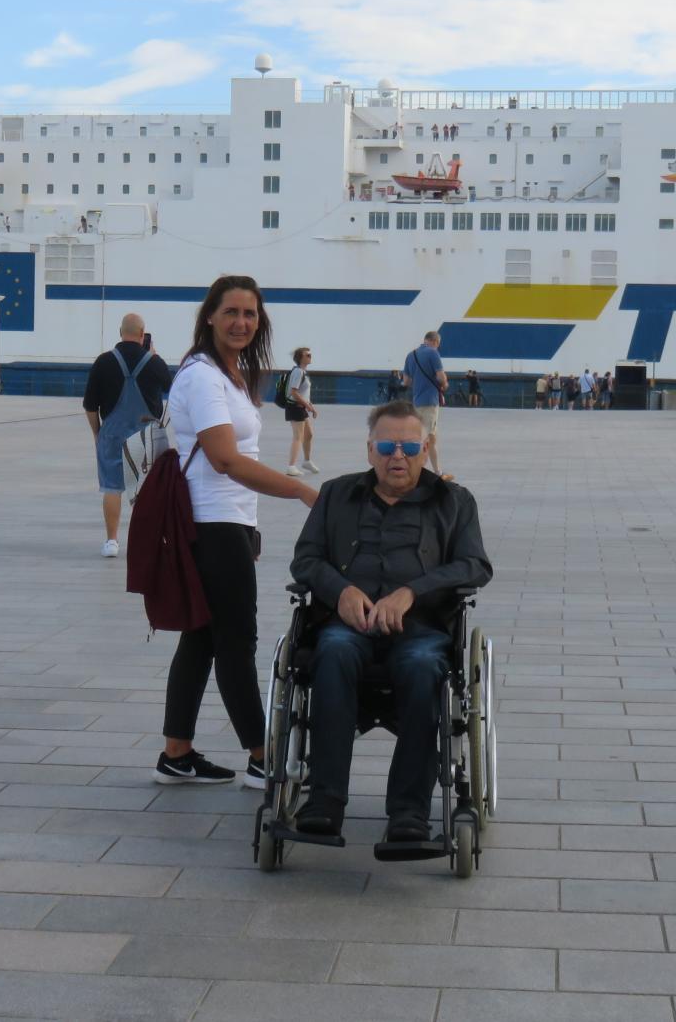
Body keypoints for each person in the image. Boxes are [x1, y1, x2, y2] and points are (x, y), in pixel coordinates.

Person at [288, 401, 493, 843]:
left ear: (426, 448)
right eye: (386, 446)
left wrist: (412, 591)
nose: (397, 456)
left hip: (421, 630)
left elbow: (475, 565)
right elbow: (305, 560)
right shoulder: (336, 495)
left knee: (422, 668)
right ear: (370, 450)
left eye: (409, 447)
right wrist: (340, 591)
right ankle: (324, 801)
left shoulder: (454, 502)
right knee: (332, 652)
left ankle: (408, 812)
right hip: (349, 626)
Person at [155, 274, 317, 788]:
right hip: (213, 524)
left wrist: (252, 526)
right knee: (235, 642)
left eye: (250, 314)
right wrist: (301, 491)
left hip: (228, 522)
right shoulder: (203, 377)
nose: (241, 322)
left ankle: (176, 754)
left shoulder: (230, 373)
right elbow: (225, 459)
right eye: (231, 312)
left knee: (202, 638)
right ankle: (261, 757)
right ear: (209, 316)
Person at [82, 312, 171, 558]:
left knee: (112, 488)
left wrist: (97, 433)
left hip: (112, 435)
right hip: (147, 436)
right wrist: (155, 356)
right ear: (143, 335)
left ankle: (112, 542)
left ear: (120, 333)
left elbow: (90, 405)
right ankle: (147, 541)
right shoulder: (154, 363)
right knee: (148, 490)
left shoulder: (103, 362)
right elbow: (172, 388)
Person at [403, 331, 447, 476]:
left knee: (429, 437)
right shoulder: (433, 353)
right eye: (438, 344)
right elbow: (441, 377)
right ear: (435, 342)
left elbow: (406, 381)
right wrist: (445, 384)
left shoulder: (411, 355)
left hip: (417, 401)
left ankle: (437, 471)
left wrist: (419, 384)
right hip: (430, 401)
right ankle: (415, 471)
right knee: (426, 438)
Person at [283, 346, 320, 476]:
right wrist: (307, 406)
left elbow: (304, 394)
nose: (310, 357)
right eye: (307, 355)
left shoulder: (303, 372)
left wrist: (311, 407)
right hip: (295, 407)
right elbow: (294, 392)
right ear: (300, 358)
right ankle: (291, 466)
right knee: (298, 437)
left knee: (309, 435)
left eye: (310, 355)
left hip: (301, 407)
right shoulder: (298, 372)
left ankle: (307, 461)